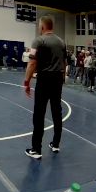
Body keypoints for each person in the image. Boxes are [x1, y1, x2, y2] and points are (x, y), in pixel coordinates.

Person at [24, 15, 67, 159]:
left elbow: (32, 63)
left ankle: (36, 149)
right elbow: (64, 63)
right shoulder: (61, 42)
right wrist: (61, 80)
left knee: (39, 113)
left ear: (42, 26)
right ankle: (55, 144)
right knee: (57, 112)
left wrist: (26, 81)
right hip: (57, 79)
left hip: (44, 79)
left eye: (39, 25)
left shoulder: (38, 40)